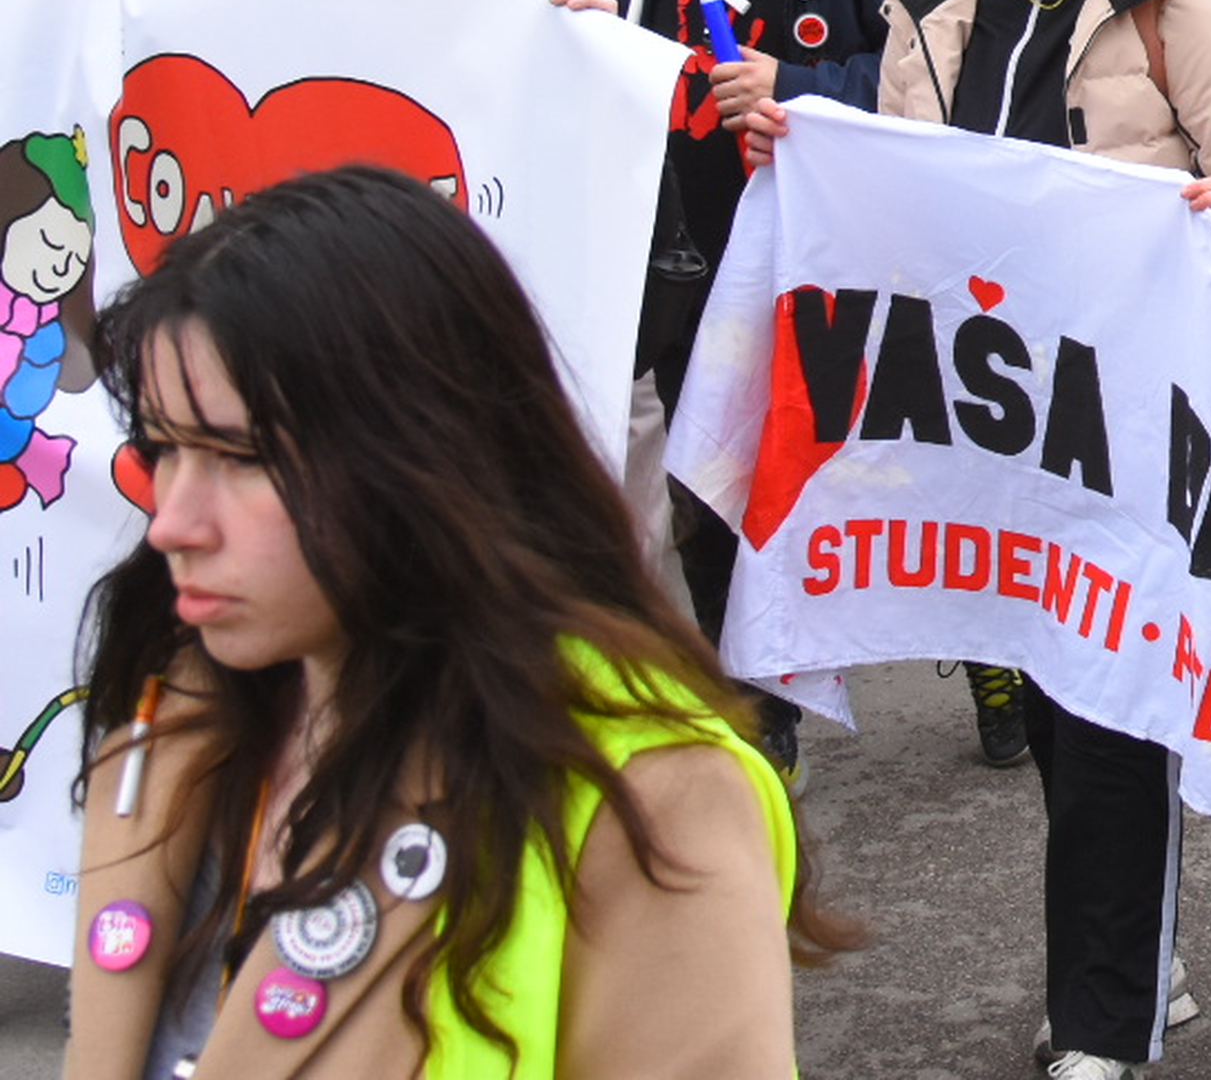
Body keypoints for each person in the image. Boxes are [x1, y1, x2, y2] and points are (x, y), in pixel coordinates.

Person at [74, 166, 834, 1075]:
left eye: (240, 458)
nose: (171, 523)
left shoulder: (650, 798)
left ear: (426, 450)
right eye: (162, 448)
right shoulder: (169, 719)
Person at [854, 0, 1211, 1079]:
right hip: (990, 409)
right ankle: (1138, 957)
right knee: (1057, 705)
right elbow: (896, 180)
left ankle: (1104, 1022)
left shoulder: (1191, 1)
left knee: (1113, 709)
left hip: (1131, 412)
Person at [598, 0, 934, 781]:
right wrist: (593, 25)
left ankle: (985, 655)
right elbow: (642, 47)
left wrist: (800, 84)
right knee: (711, 480)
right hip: (698, 246)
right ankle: (757, 707)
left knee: (875, 474)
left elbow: (930, 88)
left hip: (832, 257)